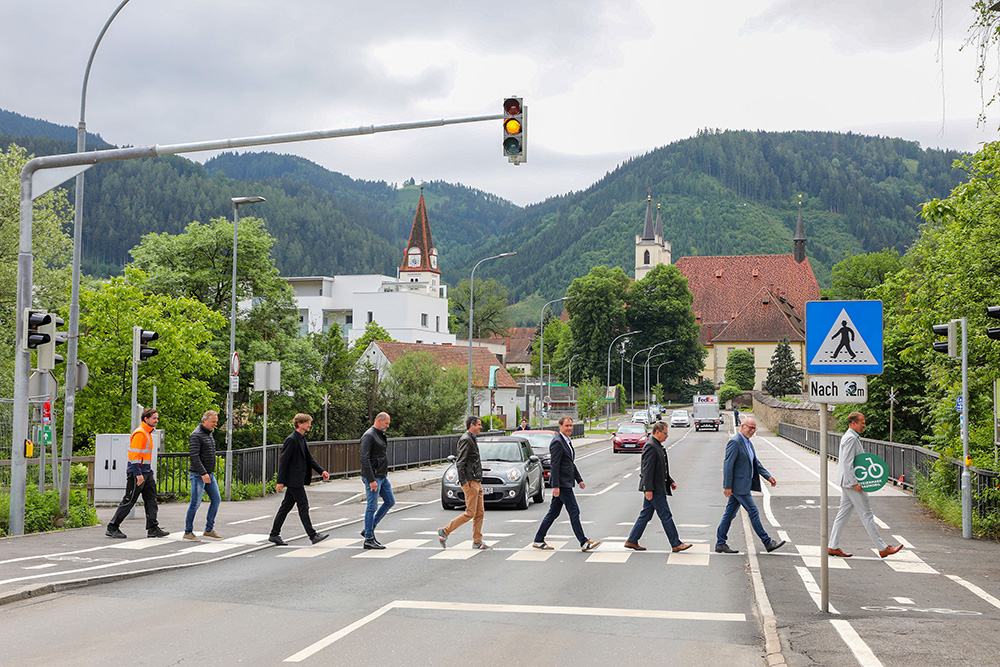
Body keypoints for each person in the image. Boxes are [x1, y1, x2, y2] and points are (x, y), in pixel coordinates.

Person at [828, 412, 903, 559]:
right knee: (867, 514)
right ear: (853, 423)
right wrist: (854, 482)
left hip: (847, 482)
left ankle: (833, 546)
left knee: (842, 515)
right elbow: (847, 462)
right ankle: (882, 548)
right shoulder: (850, 439)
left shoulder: (850, 437)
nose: (864, 425)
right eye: (862, 422)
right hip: (851, 483)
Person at [715, 417, 786, 554]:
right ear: (742, 426)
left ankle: (720, 543)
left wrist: (768, 476)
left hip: (743, 485)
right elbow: (728, 465)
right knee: (753, 511)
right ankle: (767, 542)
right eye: (750, 428)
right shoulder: (735, 442)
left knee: (729, 514)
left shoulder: (747, 442)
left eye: (754, 428)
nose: (752, 431)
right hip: (738, 486)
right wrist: (727, 486)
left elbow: (755, 462)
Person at [532, 416, 601, 552]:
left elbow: (570, 463)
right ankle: (583, 541)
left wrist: (579, 479)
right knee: (574, 510)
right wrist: (556, 486)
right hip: (562, 484)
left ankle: (539, 539)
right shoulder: (557, 442)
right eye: (566, 426)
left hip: (566, 482)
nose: (569, 428)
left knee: (553, 513)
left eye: (570, 425)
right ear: (560, 427)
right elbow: (555, 466)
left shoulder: (566, 441)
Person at [624, 421, 692, 553]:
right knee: (665, 515)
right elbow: (647, 470)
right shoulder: (651, 446)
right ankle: (676, 543)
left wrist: (670, 481)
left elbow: (661, 468)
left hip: (657, 486)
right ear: (657, 432)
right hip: (654, 489)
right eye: (665, 433)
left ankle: (632, 540)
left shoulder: (657, 445)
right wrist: (648, 488)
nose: (667, 436)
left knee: (646, 515)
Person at [105, 408, 169, 539]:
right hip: (138, 473)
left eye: (157, 418)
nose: (157, 421)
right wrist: (138, 474)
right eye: (154, 418)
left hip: (146, 471)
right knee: (129, 501)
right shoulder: (140, 433)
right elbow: (134, 456)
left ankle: (152, 528)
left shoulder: (148, 433)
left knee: (151, 500)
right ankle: (112, 527)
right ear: (146, 419)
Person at [268, 414, 330, 546]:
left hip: (297, 479)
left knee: (285, 507)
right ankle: (312, 535)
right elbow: (284, 462)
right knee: (303, 506)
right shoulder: (291, 440)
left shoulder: (301, 439)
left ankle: (274, 534)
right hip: (293, 480)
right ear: (300, 424)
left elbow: (309, 459)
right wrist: (280, 481)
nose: (309, 425)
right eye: (307, 423)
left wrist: (322, 471)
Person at [438, 416, 489, 549]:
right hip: (470, 481)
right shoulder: (466, 440)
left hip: (476, 481)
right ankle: (445, 531)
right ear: (472, 425)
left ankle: (477, 541)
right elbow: (460, 462)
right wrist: (463, 481)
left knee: (480, 513)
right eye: (479, 424)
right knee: (470, 513)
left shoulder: (471, 438)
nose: (481, 427)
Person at [184, 410, 223, 541]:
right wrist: (203, 473)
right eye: (213, 422)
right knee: (195, 503)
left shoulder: (208, 433)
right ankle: (188, 532)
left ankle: (209, 529)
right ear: (204, 420)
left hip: (209, 474)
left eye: (216, 422)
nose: (215, 424)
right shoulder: (196, 435)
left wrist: (208, 473)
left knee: (216, 499)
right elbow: (194, 456)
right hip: (198, 474)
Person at [360, 412, 394, 550]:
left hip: (382, 475)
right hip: (373, 477)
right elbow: (364, 458)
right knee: (372, 507)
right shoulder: (369, 435)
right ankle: (368, 539)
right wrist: (371, 479)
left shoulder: (380, 434)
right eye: (386, 423)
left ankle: (369, 528)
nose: (387, 426)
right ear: (379, 420)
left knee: (390, 501)